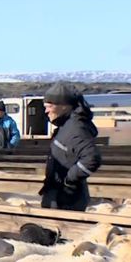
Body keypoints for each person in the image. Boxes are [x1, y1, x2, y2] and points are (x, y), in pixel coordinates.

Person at [39, 82, 102, 211]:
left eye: (50, 106)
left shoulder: (75, 128)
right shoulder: (66, 126)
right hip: (58, 195)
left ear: (64, 106)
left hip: (67, 199)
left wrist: (69, 181)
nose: (46, 111)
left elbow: (91, 158)